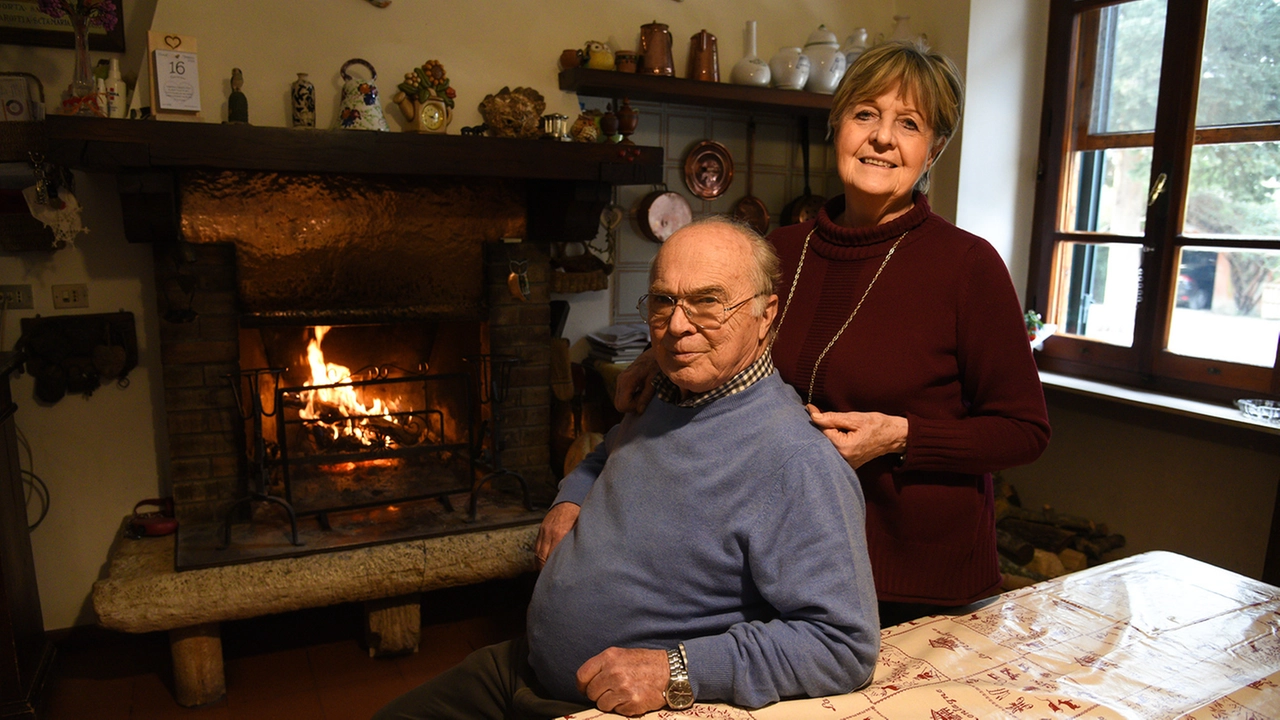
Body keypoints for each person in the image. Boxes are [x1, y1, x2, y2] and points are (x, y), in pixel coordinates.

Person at [612, 40, 1051, 626]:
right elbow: (713, 324)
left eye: (910, 124)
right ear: (837, 125)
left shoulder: (968, 267)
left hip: (917, 582)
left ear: (934, 148)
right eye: (866, 114)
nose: (882, 138)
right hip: (786, 564)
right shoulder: (779, 251)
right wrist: (653, 358)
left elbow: (1024, 431)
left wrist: (901, 436)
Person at [374, 217, 879, 720]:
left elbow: (843, 644)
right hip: (522, 667)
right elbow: (607, 451)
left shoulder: (796, 460)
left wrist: (676, 670)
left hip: (605, 706)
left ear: (766, 315)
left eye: (708, 301)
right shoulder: (667, 393)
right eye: (663, 301)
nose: (678, 325)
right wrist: (570, 495)